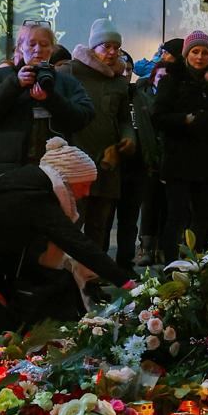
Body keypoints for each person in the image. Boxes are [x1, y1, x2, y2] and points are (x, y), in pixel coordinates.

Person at [0, 138, 133, 335]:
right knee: (2, 334)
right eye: (85, 185)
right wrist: (125, 282)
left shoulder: (30, 181)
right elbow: (73, 241)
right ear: (68, 178)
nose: (87, 192)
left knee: (8, 327)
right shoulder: (34, 196)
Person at [0, 20, 95, 186]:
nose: (38, 50)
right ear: (20, 47)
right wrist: (15, 84)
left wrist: (51, 99)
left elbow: (84, 117)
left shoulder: (66, 82)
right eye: (31, 44)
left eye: (44, 44)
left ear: (52, 49)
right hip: (5, 171)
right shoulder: (2, 76)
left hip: (53, 172)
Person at [152, 31, 208, 260]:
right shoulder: (171, 79)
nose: (200, 57)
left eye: (205, 52)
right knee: (176, 216)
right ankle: (171, 266)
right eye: (195, 52)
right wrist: (184, 120)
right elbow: (158, 117)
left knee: (202, 216)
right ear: (186, 53)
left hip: (206, 159)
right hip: (178, 159)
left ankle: (195, 263)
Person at [64, 19, 133, 252]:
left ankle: (92, 278)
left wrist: (128, 137)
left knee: (99, 227)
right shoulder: (71, 71)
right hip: (76, 162)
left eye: (116, 47)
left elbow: (123, 118)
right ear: (93, 48)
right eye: (106, 47)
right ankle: (67, 278)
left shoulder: (119, 83)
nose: (112, 53)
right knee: (72, 223)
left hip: (107, 162)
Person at [122, 60, 166, 266]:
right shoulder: (141, 96)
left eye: (129, 69)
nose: (125, 72)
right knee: (145, 204)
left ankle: (159, 247)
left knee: (161, 204)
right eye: (160, 77)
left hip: (160, 156)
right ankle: (145, 247)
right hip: (139, 157)